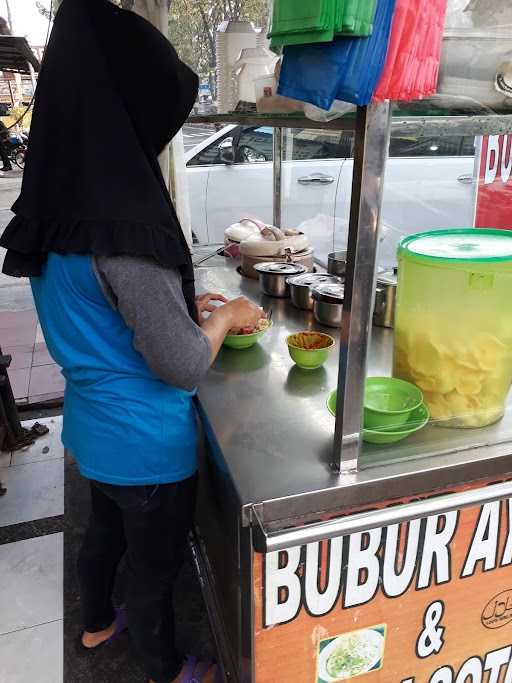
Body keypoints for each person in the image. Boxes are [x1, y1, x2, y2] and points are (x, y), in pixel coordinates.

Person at [0, 1, 263, 682]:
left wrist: (178, 304)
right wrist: (225, 316)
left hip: (90, 433)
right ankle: (164, 666)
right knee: (154, 572)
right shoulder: (124, 226)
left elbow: (99, 310)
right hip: (147, 445)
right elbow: (177, 364)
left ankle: (93, 623)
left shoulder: (51, 206)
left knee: (103, 539)